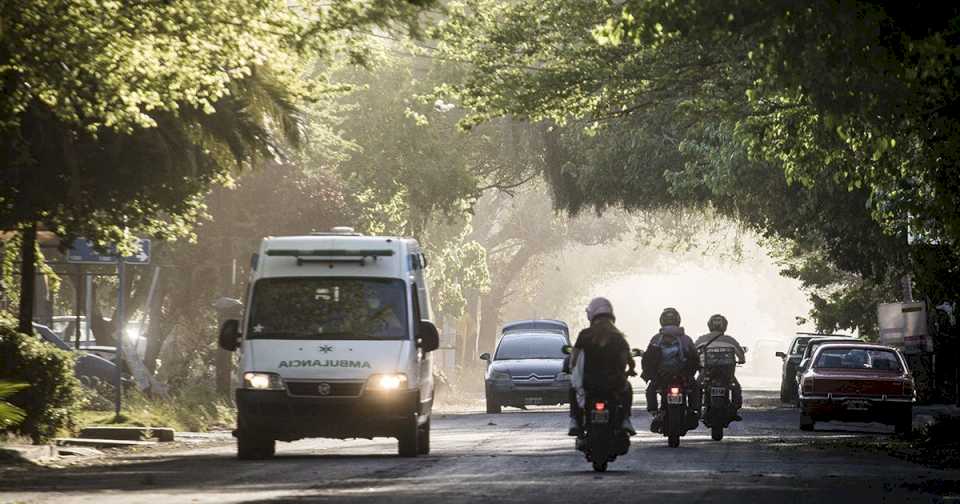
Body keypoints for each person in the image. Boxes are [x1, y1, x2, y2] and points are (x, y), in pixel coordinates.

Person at [568, 297, 637, 436]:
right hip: (613, 383)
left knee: (571, 389)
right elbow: (628, 360)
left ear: (592, 315)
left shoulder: (585, 335)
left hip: (589, 383)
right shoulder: (618, 337)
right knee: (627, 389)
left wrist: (571, 370)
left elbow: (573, 359)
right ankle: (625, 420)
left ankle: (575, 420)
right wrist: (630, 370)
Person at [641, 307, 700, 433]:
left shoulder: (656, 338)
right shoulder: (686, 338)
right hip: (682, 376)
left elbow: (647, 358)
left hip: (662, 376)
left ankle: (656, 413)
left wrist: (651, 373)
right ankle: (692, 410)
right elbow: (695, 356)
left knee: (650, 390)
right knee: (695, 388)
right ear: (678, 320)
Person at [695, 314, 745, 421]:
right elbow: (741, 355)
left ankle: (697, 410)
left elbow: (693, 353)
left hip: (707, 372)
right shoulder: (730, 340)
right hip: (726, 373)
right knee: (736, 388)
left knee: (697, 388)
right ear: (725, 326)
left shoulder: (702, 339)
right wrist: (741, 360)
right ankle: (734, 410)